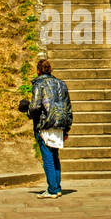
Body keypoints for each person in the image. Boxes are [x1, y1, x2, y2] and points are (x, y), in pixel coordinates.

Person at [27, 58, 73, 198]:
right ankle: (57, 187)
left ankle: (52, 189)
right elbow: (68, 107)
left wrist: (28, 111)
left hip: (44, 124)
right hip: (60, 123)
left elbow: (35, 106)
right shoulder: (61, 84)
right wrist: (67, 128)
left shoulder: (39, 84)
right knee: (55, 156)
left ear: (38, 70)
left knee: (47, 157)